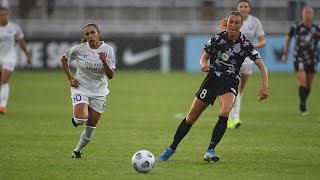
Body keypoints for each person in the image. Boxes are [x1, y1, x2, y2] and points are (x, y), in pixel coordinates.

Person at [157, 11, 268, 162]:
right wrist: (204, 66)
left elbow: (261, 66)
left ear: (241, 25)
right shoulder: (217, 39)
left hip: (230, 82)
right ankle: (171, 148)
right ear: (227, 23)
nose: (233, 25)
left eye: (237, 23)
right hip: (212, 80)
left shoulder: (245, 44)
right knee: (191, 117)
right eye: (231, 22)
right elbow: (204, 58)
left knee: (225, 110)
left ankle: (211, 150)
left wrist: (264, 87)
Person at [61, 23, 116, 158]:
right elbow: (64, 60)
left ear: (98, 34)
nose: (90, 36)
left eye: (92, 33)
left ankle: (77, 151)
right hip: (81, 88)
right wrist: (71, 78)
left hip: (99, 92)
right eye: (87, 34)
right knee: (81, 119)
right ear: (84, 37)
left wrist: (104, 62)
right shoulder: (79, 49)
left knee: (90, 128)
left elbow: (111, 76)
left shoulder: (108, 50)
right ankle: (76, 118)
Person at [228, 0, 266, 128]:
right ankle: (235, 118)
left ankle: (229, 115)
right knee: (236, 87)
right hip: (233, 58)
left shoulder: (255, 22)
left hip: (248, 59)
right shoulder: (232, 20)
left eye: (245, 6)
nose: (243, 8)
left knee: (240, 89)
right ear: (237, 8)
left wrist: (250, 47)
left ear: (249, 8)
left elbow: (262, 41)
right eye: (241, 6)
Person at [281, 6, 320, 116]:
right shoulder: (296, 27)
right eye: (306, 13)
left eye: (310, 13)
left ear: (312, 15)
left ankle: (303, 101)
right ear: (302, 15)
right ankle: (303, 105)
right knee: (302, 82)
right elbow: (288, 38)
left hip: (312, 59)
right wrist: (285, 53)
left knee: (308, 85)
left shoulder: (316, 28)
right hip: (299, 58)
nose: (308, 15)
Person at [0, 6, 32, 114]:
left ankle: (2, 106)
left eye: (4, 15)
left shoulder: (14, 27)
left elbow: (21, 42)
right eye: (0, 15)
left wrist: (27, 56)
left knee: (4, 81)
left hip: (9, 56)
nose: (3, 17)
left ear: (7, 15)